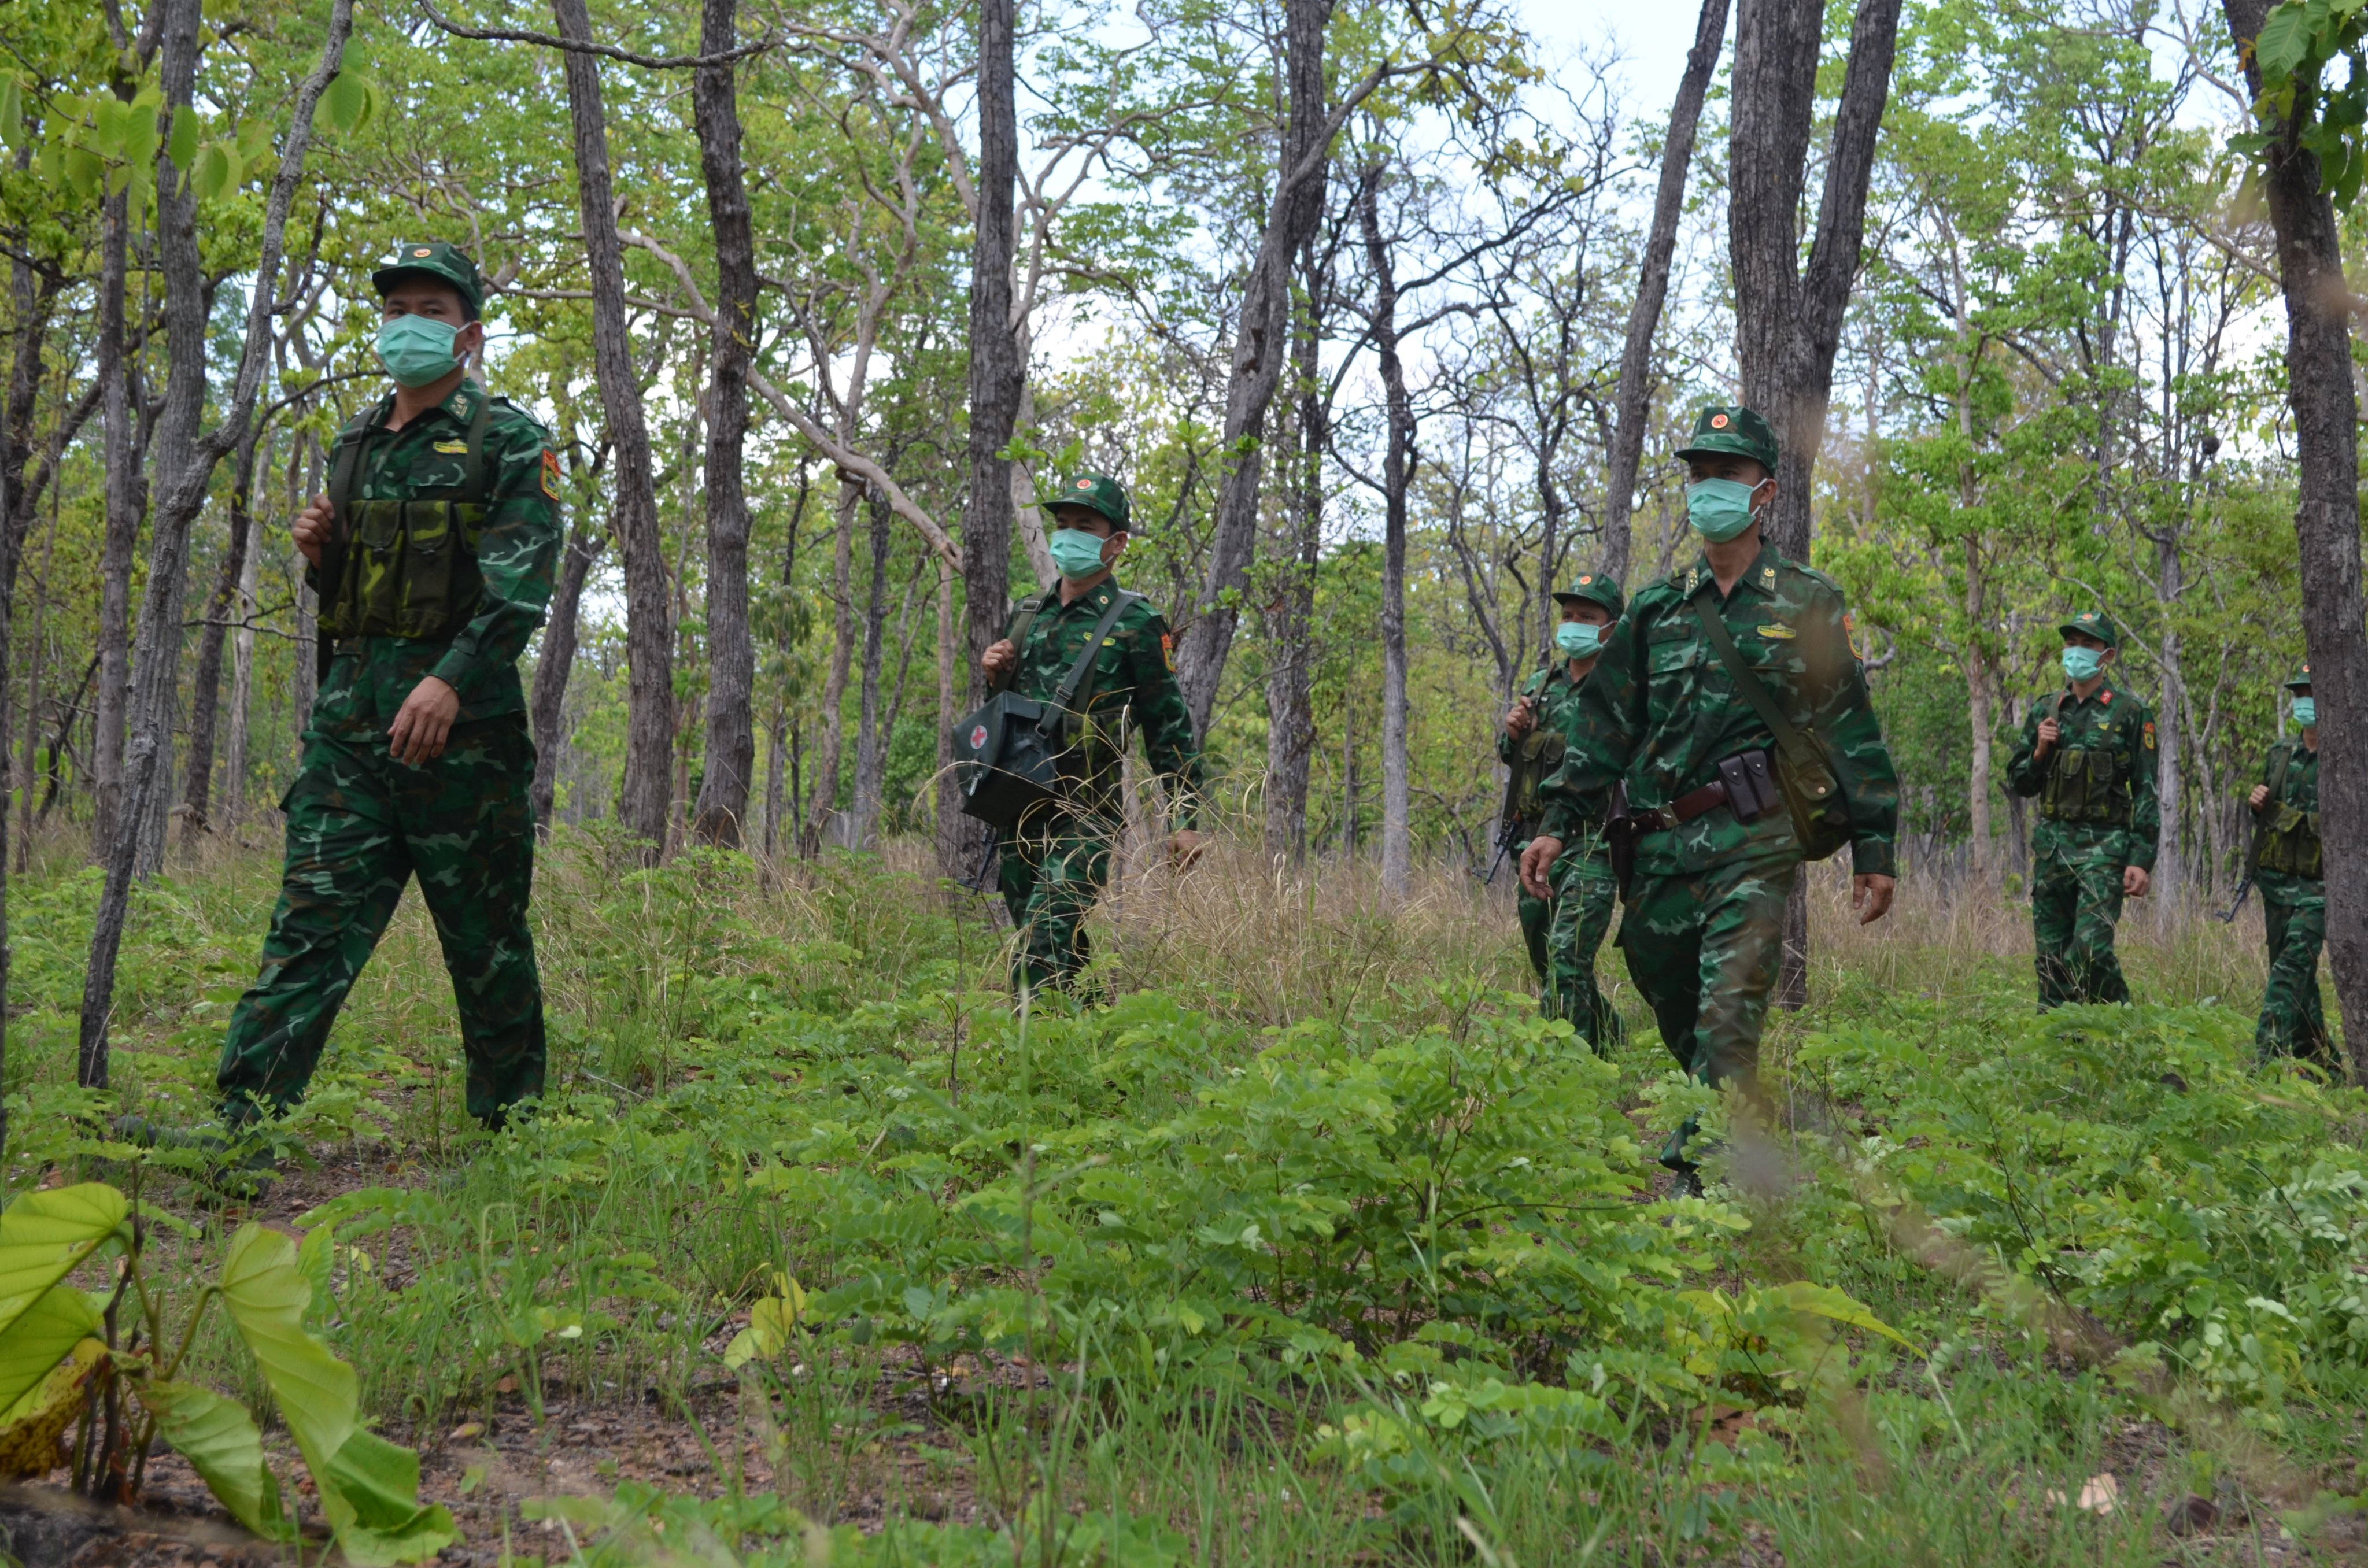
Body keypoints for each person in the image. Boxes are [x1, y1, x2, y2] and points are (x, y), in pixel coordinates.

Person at [213, 242, 562, 1141]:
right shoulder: (355, 443)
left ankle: (515, 1138)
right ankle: (240, 1133)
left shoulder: (509, 441)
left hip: (464, 744)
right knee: (307, 932)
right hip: (352, 738)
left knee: (485, 945)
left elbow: (519, 592)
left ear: (468, 334)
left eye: (431, 312)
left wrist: (449, 683)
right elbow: (350, 599)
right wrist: (319, 556)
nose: (409, 326)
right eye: (396, 309)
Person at [1517, 406, 1898, 1184]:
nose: (1709, 488)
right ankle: (1735, 1114)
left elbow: (1850, 728)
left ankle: (1700, 1174)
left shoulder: (1807, 601)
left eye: (1727, 473)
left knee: (1728, 1011)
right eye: (1698, 474)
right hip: (1658, 843)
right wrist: (1557, 820)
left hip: (1756, 841)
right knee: (1666, 987)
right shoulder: (1657, 608)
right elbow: (1605, 725)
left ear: (1765, 491)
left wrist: (1875, 845)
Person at [978, 474, 1205, 993]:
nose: (1068, 536)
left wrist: (1185, 820)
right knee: (1057, 944)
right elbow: (1005, 714)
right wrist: (994, 676)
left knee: (1042, 938)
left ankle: (1028, 1041)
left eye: (1085, 526)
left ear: (1116, 543)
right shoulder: (1028, 614)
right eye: (1062, 524)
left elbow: (1167, 726)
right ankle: (1089, 1029)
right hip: (1019, 806)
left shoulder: (1136, 622)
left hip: (1087, 813)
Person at [2004, 611, 2158, 1009]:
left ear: (2107, 656)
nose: (2077, 652)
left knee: (2090, 951)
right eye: (2071, 643)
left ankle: (2125, 1029)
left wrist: (2141, 860)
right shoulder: (2046, 709)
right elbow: (2020, 783)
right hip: (2053, 850)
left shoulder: (2130, 712)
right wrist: (2039, 752)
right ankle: (2059, 1042)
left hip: (2103, 851)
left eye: (2088, 645)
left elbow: (2146, 790)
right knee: (2051, 960)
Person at [1499, 574, 1627, 1046]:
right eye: (1568, 615)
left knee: (1568, 954)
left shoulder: (1621, 687)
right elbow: (1513, 757)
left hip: (1594, 840)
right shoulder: (1542, 685)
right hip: (1535, 839)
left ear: (1610, 627)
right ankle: (1609, 1039)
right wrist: (1513, 733)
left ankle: (1565, 1061)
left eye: (1586, 617)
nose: (1573, 624)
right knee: (1546, 958)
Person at [2247, 668, 2333, 1069]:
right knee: (2298, 980)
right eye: (2298, 694)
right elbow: (2266, 819)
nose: (2304, 701)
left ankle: (2264, 1058)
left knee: (2291, 968)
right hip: (2278, 884)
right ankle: (2322, 1063)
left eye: (2311, 693)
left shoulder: (2350, 756)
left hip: (2321, 890)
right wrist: (2257, 805)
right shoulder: (2280, 754)